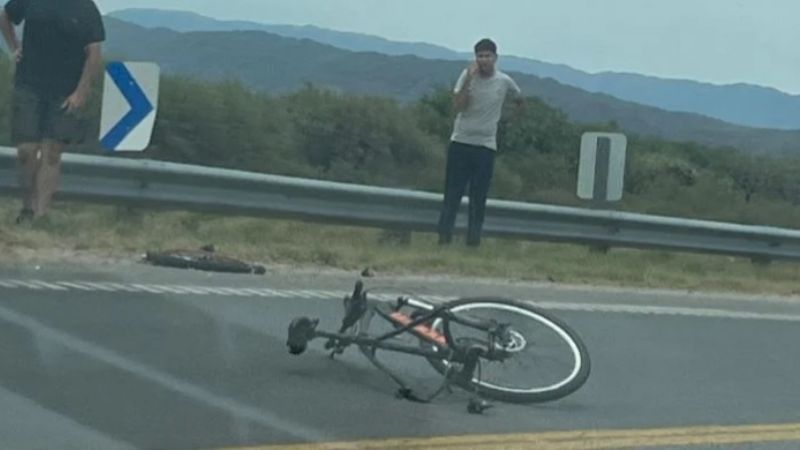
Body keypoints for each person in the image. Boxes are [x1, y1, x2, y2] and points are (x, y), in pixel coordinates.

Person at [0, 0, 105, 224]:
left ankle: (40, 214)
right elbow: (6, 15)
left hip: (65, 91)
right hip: (28, 85)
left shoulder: (85, 7)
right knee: (26, 151)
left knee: (52, 151)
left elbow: (94, 53)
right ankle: (27, 206)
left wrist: (81, 92)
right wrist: (13, 46)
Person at [437, 38, 523, 247]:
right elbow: (458, 106)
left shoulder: (504, 81)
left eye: (487, 56)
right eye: (480, 56)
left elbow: (520, 99)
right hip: (461, 142)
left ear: (495, 58)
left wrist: (508, 121)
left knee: (478, 197)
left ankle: (473, 241)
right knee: (453, 194)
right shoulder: (467, 77)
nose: (483, 60)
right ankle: (444, 239)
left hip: (485, 146)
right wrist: (469, 80)